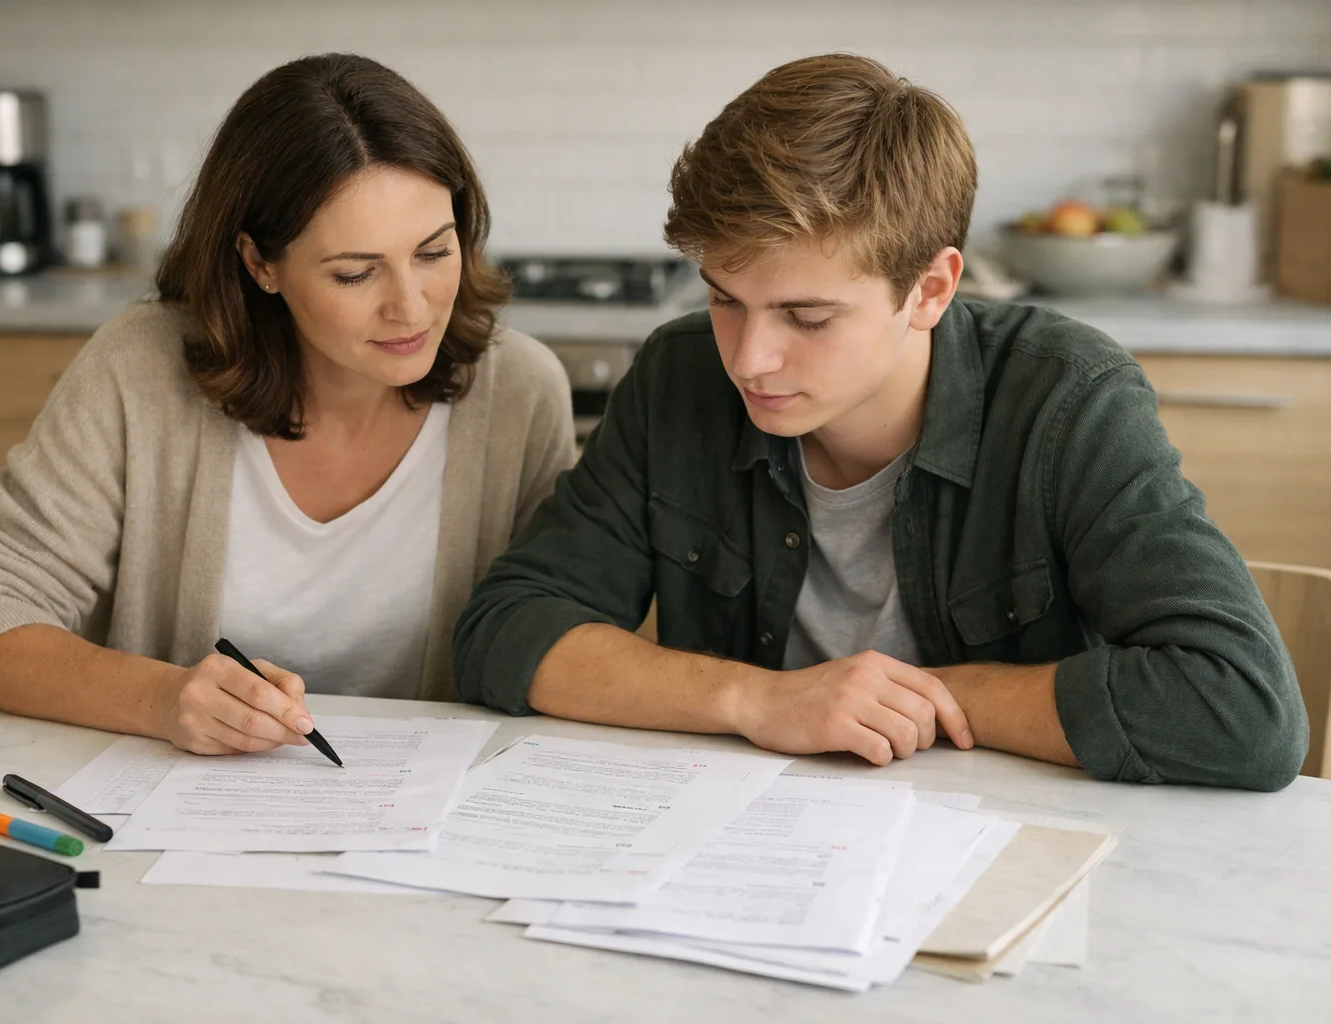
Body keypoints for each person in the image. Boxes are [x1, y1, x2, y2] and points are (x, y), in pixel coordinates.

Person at [453, 53, 1309, 791]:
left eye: (807, 317)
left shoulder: (1067, 399)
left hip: (1002, 850)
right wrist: (760, 700)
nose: (749, 358)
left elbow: (1242, 710)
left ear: (931, 291)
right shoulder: (680, 376)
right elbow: (509, 629)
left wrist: (908, 700)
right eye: (724, 299)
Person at [0, 54, 574, 756]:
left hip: (421, 826)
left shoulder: (519, 394)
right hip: (175, 818)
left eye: (434, 252)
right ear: (260, 263)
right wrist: (158, 697)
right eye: (356, 272)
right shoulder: (142, 370)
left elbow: (549, 635)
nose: (411, 307)